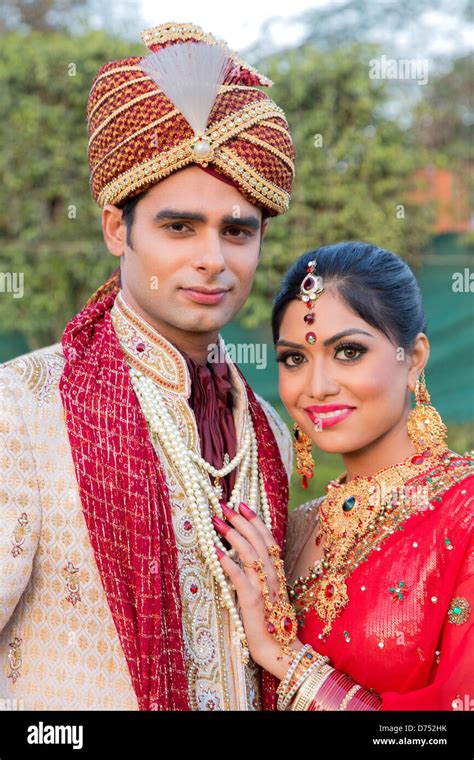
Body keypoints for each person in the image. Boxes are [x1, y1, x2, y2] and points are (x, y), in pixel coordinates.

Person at [0, 22, 296, 710]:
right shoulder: (22, 409)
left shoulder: (270, 435)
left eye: (238, 231)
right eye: (179, 227)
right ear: (115, 228)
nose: (212, 260)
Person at [215, 241, 474, 711]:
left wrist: (285, 657)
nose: (317, 387)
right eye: (295, 358)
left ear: (413, 358)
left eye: (349, 351)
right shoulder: (292, 530)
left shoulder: (465, 512)